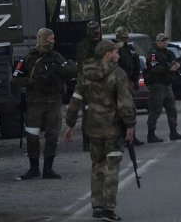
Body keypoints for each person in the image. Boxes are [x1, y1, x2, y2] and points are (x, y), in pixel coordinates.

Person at [64, 40, 135, 222]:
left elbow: (75, 100)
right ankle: (109, 210)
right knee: (112, 168)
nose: (118, 55)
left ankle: (97, 206)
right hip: (112, 129)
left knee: (97, 166)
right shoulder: (118, 73)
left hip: (92, 128)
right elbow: (125, 103)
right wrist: (130, 125)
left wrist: (70, 124)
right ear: (107, 54)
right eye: (115, 52)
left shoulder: (85, 74)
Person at [12, 28, 76, 180]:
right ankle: (34, 168)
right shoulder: (29, 58)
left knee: (52, 135)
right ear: (43, 39)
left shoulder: (57, 57)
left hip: (54, 101)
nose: (53, 42)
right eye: (50, 39)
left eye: (53, 39)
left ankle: (48, 169)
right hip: (36, 101)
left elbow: (70, 72)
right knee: (32, 135)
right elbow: (15, 78)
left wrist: (69, 69)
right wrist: (32, 82)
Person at [145, 33, 181, 143]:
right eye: (162, 41)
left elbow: (177, 62)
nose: (164, 43)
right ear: (157, 42)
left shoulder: (169, 53)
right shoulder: (154, 54)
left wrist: (178, 65)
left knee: (172, 109)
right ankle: (151, 134)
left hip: (168, 85)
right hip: (157, 85)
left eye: (165, 41)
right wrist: (168, 68)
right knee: (155, 110)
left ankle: (173, 132)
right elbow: (153, 68)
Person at [113, 26, 144, 146]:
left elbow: (135, 63)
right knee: (123, 111)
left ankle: (131, 136)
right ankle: (123, 136)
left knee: (131, 110)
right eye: (123, 37)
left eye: (126, 37)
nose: (125, 39)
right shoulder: (115, 49)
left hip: (129, 81)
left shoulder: (129, 48)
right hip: (121, 82)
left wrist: (135, 80)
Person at [76, 20, 102, 152]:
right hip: (88, 83)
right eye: (94, 31)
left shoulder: (99, 44)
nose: (96, 33)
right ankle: (87, 141)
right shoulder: (84, 46)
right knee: (88, 113)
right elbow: (83, 66)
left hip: (100, 82)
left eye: (98, 30)